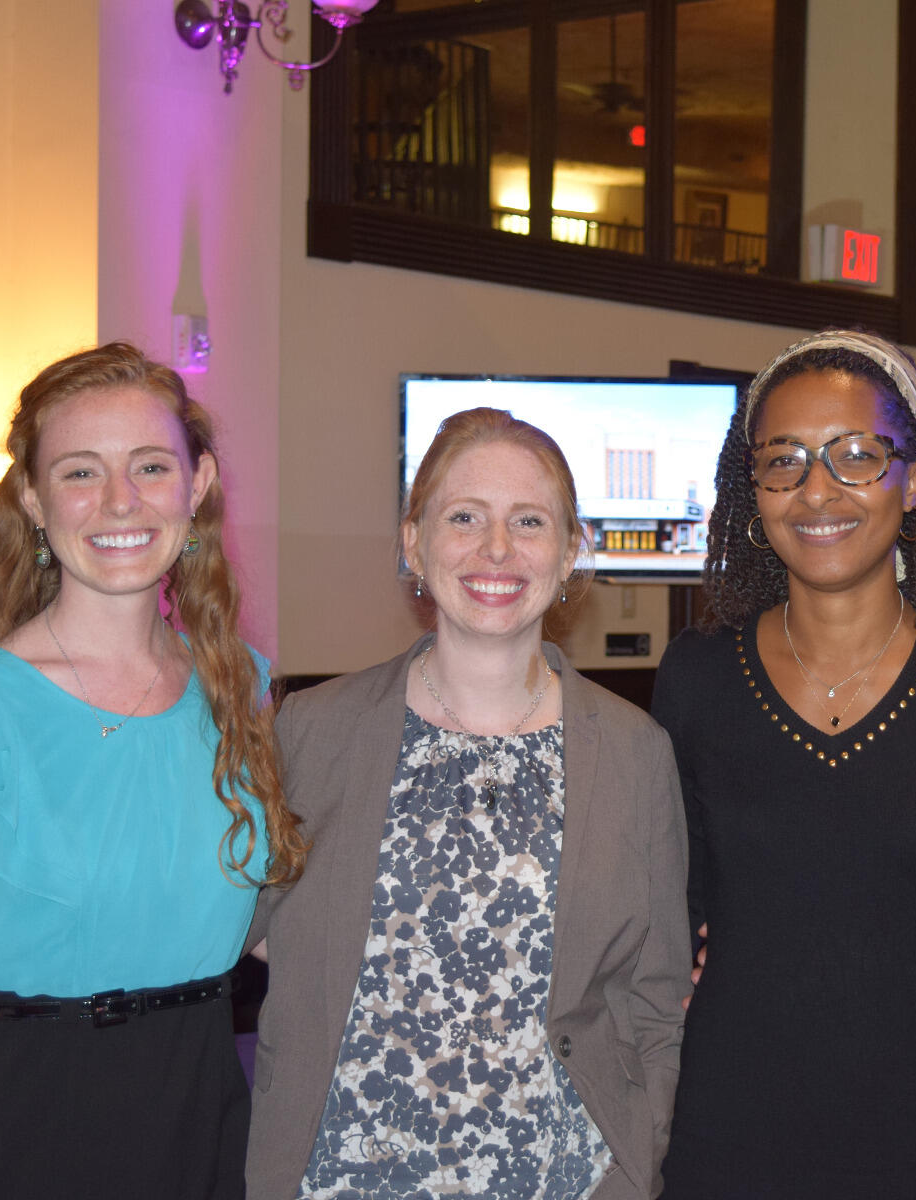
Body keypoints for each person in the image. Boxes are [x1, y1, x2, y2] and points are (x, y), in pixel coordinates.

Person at [654, 329, 916, 1200]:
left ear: (914, 481)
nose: (816, 490)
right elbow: (663, 905)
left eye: (855, 456)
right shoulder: (696, 678)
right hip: (730, 1133)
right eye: (785, 460)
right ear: (752, 487)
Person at [244, 408, 690, 1200]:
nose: (496, 549)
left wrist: (632, 1166)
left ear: (569, 552)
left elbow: (654, 999)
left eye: (528, 521)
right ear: (413, 542)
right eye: (464, 518)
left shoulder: (634, 752)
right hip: (343, 1177)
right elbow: (247, 922)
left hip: (561, 1179)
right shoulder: (314, 729)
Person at [0, 342, 306, 1199]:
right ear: (31, 499)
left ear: (196, 487)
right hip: (9, 1126)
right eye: (80, 472)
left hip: (200, 1114)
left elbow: (276, 925)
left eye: (150, 466)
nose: (119, 502)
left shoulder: (242, 685)